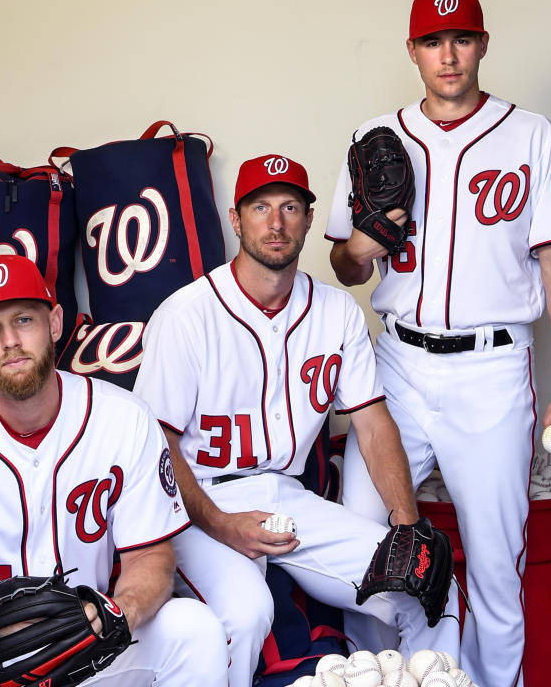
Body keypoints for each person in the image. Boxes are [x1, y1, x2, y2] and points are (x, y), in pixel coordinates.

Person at [325, 0, 551, 687]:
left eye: (462, 39)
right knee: (358, 554)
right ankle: (388, 677)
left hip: (492, 370)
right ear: (412, 51)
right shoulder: (374, 135)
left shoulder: (531, 135)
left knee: (498, 571)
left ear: (481, 45)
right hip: (397, 367)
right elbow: (346, 266)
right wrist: (365, 239)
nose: (448, 55)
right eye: (433, 42)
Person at [133, 155, 460, 687]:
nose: (276, 222)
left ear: (310, 219)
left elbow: (373, 425)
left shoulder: (336, 311)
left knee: (425, 584)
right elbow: (157, 450)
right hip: (199, 505)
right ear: (236, 221)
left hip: (289, 499)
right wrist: (221, 524)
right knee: (245, 613)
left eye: (290, 207)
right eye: (260, 207)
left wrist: (405, 522)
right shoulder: (186, 315)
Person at [0, 254, 228, 687]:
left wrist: (118, 612)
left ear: (54, 323)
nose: (10, 340)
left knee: (193, 629)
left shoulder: (125, 418)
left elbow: (151, 557)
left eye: (24, 319)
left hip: (88, 642)